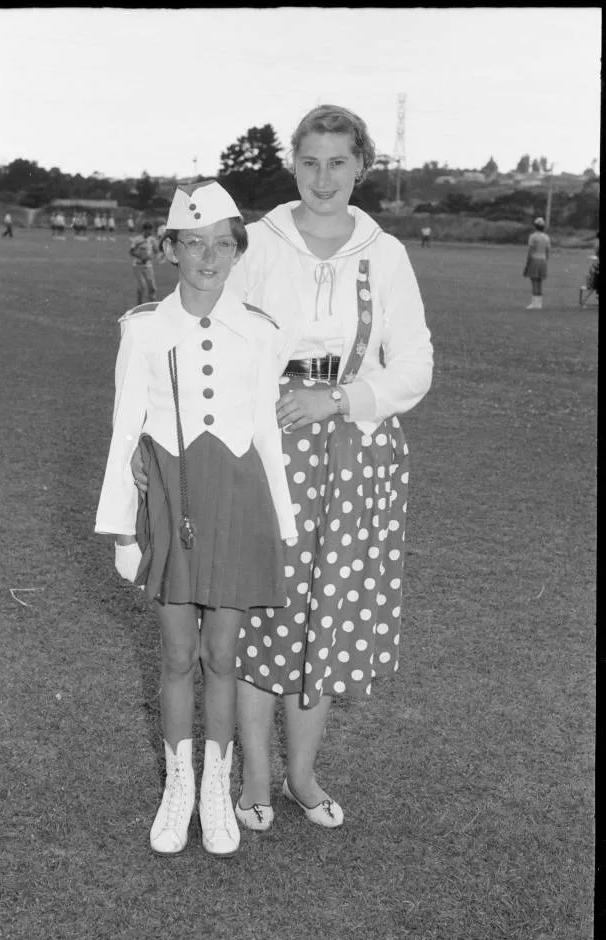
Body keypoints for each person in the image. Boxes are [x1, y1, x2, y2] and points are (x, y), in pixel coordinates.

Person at [133, 104, 433, 833]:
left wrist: (340, 399)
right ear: (292, 164)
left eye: (338, 162)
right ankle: (254, 779)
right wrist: (153, 434)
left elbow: (415, 365)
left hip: (356, 454)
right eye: (309, 162)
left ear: (362, 167)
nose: (323, 178)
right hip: (261, 448)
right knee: (262, 616)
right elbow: (202, 336)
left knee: (326, 617)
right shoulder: (259, 242)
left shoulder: (386, 253)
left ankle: (301, 775)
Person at [95, 181, 297, 858]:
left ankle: (216, 785)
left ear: (238, 251)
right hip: (171, 502)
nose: (208, 257)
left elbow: (266, 431)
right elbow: (125, 430)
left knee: (222, 656)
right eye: (193, 244)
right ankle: (177, 786)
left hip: (239, 502)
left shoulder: (261, 331)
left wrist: (283, 525)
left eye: (222, 244)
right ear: (171, 250)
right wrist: (122, 528)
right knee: (178, 654)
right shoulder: (143, 328)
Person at [523, 216, 551, 309]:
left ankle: (534, 303)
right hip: (543, 260)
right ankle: (539, 303)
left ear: (535, 226)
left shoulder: (533, 236)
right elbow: (547, 252)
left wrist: (527, 262)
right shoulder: (546, 237)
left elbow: (530, 251)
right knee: (539, 282)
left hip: (534, 260)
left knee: (534, 282)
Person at [129, 221, 159, 304]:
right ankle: (139, 305)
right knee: (142, 286)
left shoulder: (152, 239)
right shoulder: (137, 239)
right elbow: (131, 251)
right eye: (150, 230)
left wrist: (150, 257)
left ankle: (152, 305)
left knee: (152, 287)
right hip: (137, 266)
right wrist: (140, 257)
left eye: (152, 230)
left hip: (148, 266)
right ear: (145, 230)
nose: (151, 232)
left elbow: (156, 251)